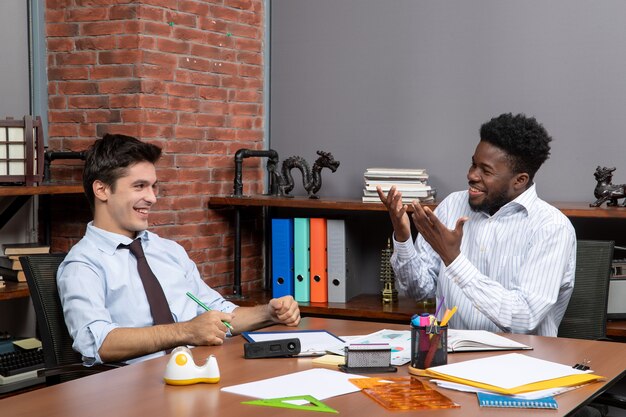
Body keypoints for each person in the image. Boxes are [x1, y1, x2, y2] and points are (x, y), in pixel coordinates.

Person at [57, 134, 301, 365]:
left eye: (154, 187)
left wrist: (268, 313)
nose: (152, 198)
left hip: (197, 371)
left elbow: (218, 312)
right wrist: (187, 331)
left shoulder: (168, 251)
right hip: (134, 388)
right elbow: (98, 343)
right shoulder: (82, 264)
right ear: (102, 190)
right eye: (139, 186)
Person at [377, 113, 576, 336]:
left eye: (485, 170)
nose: (471, 175)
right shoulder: (451, 206)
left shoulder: (551, 227)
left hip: (521, 361)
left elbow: (523, 317)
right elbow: (419, 290)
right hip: (449, 358)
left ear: (519, 180)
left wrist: (454, 260)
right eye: (473, 164)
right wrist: (403, 238)